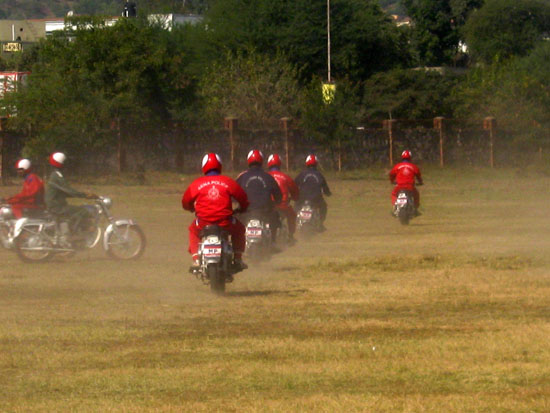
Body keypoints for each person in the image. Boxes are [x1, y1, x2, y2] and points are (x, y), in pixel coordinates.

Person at [182, 153, 249, 271]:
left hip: (203, 223)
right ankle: (238, 259)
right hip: (225, 222)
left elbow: (185, 202)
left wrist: (191, 208)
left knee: (193, 231)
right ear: (220, 166)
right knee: (239, 230)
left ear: (204, 167)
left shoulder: (197, 183)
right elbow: (243, 198)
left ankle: (196, 260)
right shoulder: (228, 182)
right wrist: (242, 208)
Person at [45, 152, 97, 240]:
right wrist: (85, 195)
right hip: (57, 206)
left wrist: (83, 195)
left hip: (55, 205)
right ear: (61, 164)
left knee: (76, 210)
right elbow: (69, 191)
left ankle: (71, 230)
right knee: (82, 210)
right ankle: (73, 234)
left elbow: (65, 192)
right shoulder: (57, 176)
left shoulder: (55, 175)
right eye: (65, 162)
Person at [236, 150, 282, 243]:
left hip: (246, 212)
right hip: (264, 212)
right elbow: (278, 196)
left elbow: (233, 195)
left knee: (234, 222)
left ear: (248, 161)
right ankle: (273, 241)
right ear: (262, 161)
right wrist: (275, 202)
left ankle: (237, 243)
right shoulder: (268, 177)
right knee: (276, 217)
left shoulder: (242, 177)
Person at [267, 153, 299, 244]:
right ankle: (290, 236)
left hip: (268, 207)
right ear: (280, 164)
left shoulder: (265, 176)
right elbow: (295, 193)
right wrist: (294, 198)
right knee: (292, 215)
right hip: (283, 206)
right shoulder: (286, 177)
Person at [295, 154, 331, 230]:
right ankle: (320, 223)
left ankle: (295, 221)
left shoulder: (302, 174)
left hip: (302, 198)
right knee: (323, 206)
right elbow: (325, 189)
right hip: (316, 199)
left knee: (296, 206)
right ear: (316, 164)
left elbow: (294, 185)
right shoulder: (319, 175)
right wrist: (328, 193)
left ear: (306, 163)